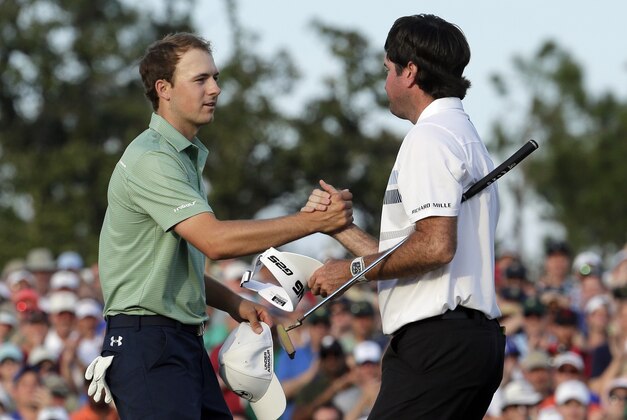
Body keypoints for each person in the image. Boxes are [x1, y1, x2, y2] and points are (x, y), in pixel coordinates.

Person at [90, 32, 352, 419]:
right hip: (149, 342)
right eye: (201, 80)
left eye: (214, 77)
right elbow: (214, 241)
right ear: (163, 89)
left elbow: (175, 269)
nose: (215, 88)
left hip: (173, 340)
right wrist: (312, 222)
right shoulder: (153, 159)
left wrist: (234, 303)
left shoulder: (180, 157)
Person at [304, 14, 504, 418]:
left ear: (409, 71)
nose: (384, 84)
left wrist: (351, 271)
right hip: (462, 343)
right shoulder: (462, 135)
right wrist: (342, 228)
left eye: (386, 70)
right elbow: (414, 253)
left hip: (437, 344)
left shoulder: (428, 138)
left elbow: (435, 246)